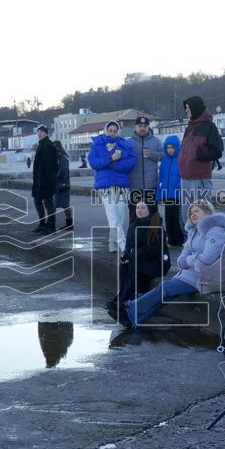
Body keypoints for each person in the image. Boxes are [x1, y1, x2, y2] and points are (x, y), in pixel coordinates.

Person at [123, 200, 225, 327]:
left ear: (207, 212)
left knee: (165, 288)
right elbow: (181, 259)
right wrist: (190, 260)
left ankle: (131, 307)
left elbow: (207, 258)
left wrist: (189, 260)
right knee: (165, 295)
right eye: (191, 213)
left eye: (196, 211)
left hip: (204, 276)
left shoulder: (216, 231)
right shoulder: (193, 231)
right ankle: (135, 321)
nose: (193, 215)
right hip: (189, 273)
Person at [106, 200, 168, 320]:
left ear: (150, 209)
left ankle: (135, 302)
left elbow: (154, 250)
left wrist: (133, 254)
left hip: (157, 261)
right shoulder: (135, 223)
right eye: (137, 208)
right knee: (124, 265)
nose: (139, 210)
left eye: (143, 208)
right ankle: (123, 299)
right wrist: (125, 255)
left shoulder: (156, 226)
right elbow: (129, 245)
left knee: (134, 266)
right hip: (139, 258)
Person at [88, 121, 135, 252]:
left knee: (119, 216)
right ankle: (123, 243)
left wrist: (115, 165)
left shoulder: (125, 144)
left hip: (121, 186)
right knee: (113, 216)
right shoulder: (97, 144)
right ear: (106, 130)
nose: (112, 133)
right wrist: (110, 159)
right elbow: (93, 162)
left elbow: (131, 162)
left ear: (118, 131)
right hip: (105, 186)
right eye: (110, 130)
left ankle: (112, 242)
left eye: (115, 131)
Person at [178, 96, 223, 209]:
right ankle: (187, 228)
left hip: (200, 180)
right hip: (185, 179)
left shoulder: (209, 127)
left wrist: (201, 155)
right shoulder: (189, 128)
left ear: (196, 108)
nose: (186, 110)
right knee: (186, 214)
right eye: (186, 108)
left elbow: (217, 152)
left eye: (188, 107)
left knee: (202, 213)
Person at [128, 116, 163, 219]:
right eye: (140, 126)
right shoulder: (129, 142)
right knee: (134, 215)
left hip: (151, 186)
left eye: (145, 126)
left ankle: (153, 235)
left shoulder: (156, 141)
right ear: (135, 127)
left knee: (152, 214)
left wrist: (152, 154)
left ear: (148, 127)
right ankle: (134, 235)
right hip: (134, 186)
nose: (142, 128)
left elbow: (164, 155)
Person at [156, 135, 185, 246]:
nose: (170, 150)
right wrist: (159, 193)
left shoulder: (181, 159)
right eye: (168, 147)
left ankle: (181, 239)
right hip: (167, 194)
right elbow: (161, 178)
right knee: (168, 217)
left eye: (172, 147)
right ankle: (172, 239)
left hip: (178, 194)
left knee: (178, 217)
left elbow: (183, 176)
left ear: (177, 147)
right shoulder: (164, 161)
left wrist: (179, 186)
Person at [31, 125, 59, 234]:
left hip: (45, 181)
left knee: (48, 203)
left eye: (41, 132)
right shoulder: (42, 145)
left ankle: (50, 226)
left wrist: (46, 180)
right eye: (38, 132)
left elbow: (51, 166)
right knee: (38, 202)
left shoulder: (48, 145)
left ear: (46, 133)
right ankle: (43, 224)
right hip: (40, 180)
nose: (39, 134)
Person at [53, 140, 73, 230]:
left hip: (62, 185)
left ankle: (68, 223)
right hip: (61, 184)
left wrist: (57, 179)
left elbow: (63, 171)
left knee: (62, 204)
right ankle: (68, 223)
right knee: (62, 204)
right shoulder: (61, 155)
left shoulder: (63, 157)